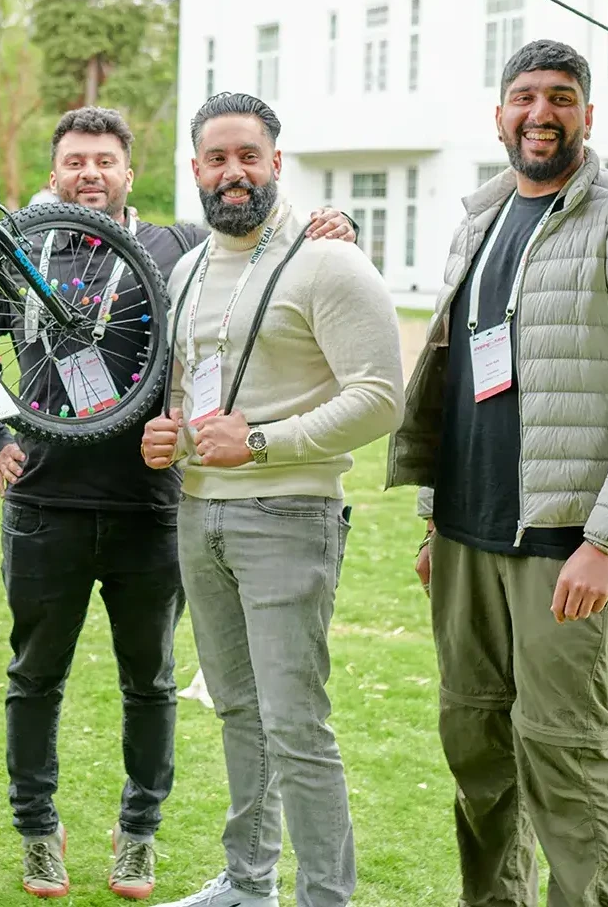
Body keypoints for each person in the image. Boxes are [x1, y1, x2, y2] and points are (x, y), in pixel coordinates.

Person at [0, 107, 354, 900]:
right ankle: (39, 829)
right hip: (44, 501)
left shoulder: (176, 248)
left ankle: (137, 831)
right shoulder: (21, 251)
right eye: (75, 161)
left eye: (104, 161)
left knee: (150, 680)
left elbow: (259, 240)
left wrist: (331, 224)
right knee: (35, 676)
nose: (90, 174)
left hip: (150, 503)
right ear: (54, 174)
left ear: (128, 173)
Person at [387, 40, 608, 907]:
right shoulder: (480, 221)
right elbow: (452, 376)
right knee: (478, 748)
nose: (541, 113)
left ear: (588, 116)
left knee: (565, 752)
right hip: (467, 536)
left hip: (570, 546)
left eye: (561, 97)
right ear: (500, 114)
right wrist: (433, 518)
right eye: (525, 96)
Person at [141, 92, 404, 907]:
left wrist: (261, 441)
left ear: (276, 162)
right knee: (236, 711)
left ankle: (327, 896)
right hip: (199, 511)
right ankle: (248, 884)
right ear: (195, 171)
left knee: (296, 724)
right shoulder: (187, 269)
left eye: (248, 156)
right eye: (217, 159)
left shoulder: (330, 261)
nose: (233, 173)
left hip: (290, 512)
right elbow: (192, 390)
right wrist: (169, 434)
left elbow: (381, 397)